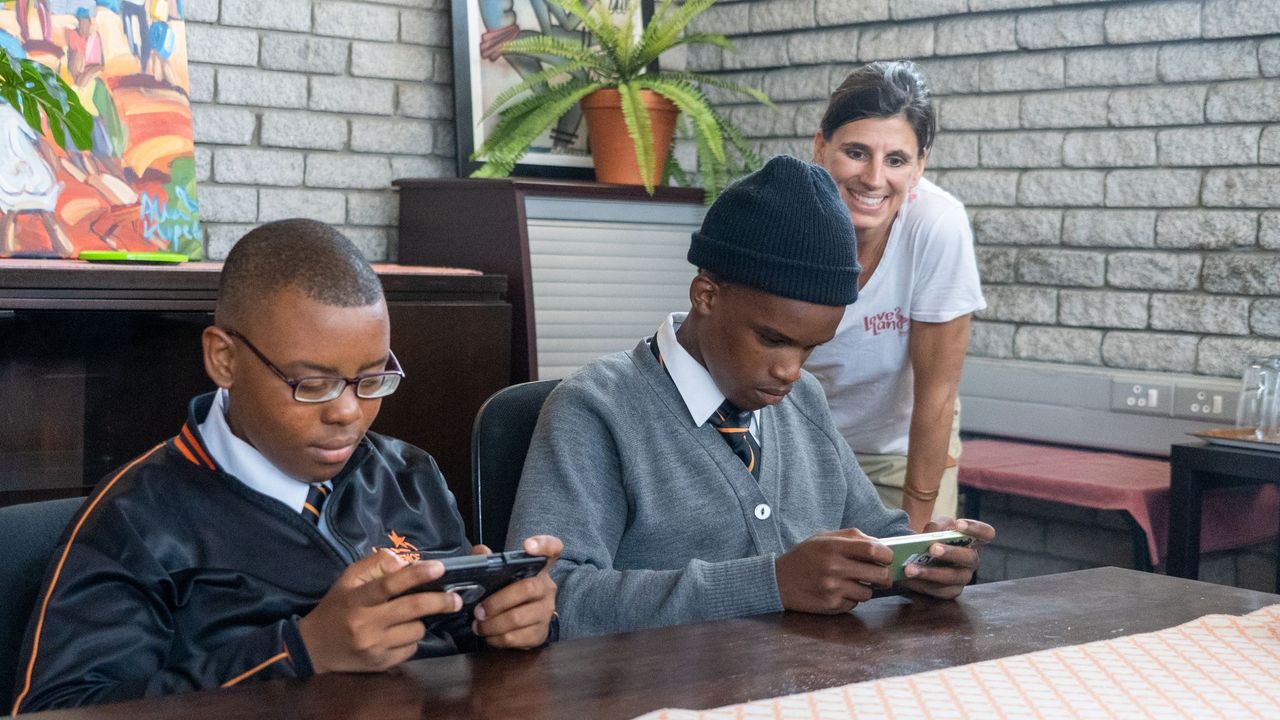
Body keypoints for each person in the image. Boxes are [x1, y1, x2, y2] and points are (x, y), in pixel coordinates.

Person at [11, 219, 561, 713]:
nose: (347, 413)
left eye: (372, 379)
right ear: (224, 359)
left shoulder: (407, 475)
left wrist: (511, 623)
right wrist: (300, 651)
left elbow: (462, 658)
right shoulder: (137, 520)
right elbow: (59, 708)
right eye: (312, 384)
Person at [506, 156, 994, 640]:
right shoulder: (595, 409)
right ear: (706, 296)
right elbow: (553, 597)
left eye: (810, 347)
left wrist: (926, 562)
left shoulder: (805, 400)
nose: (791, 371)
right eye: (773, 339)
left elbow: (874, 534)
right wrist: (771, 583)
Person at [805, 61, 986, 531]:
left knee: (915, 587)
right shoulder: (785, 215)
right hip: (799, 448)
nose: (874, 178)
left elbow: (938, 394)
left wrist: (914, 540)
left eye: (897, 160)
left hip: (900, 449)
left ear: (920, 164)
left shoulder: (937, 225)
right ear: (821, 146)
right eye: (856, 152)